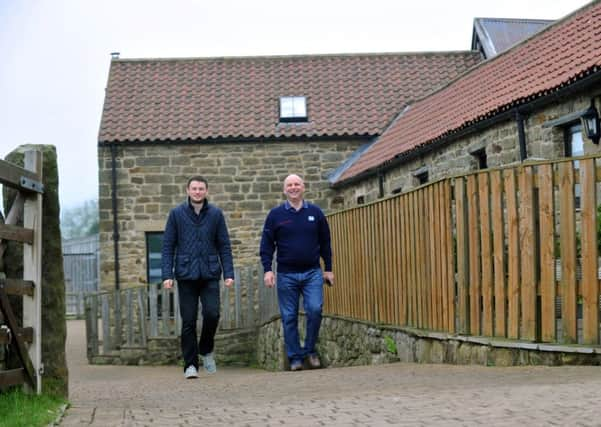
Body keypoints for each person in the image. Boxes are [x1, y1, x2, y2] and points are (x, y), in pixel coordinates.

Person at [161, 176, 234, 379]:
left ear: (206, 191)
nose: (198, 192)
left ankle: (206, 349)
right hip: (186, 275)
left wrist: (229, 272)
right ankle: (190, 365)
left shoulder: (216, 214)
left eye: (201, 188)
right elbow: (167, 246)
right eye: (194, 188)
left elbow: (224, 245)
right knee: (189, 321)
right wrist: (167, 274)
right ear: (187, 190)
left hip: (210, 273)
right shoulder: (176, 214)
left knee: (212, 314)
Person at [260, 174, 334, 371]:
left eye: (297, 184)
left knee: (315, 310)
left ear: (303, 187)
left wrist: (328, 269)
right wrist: (268, 270)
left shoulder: (316, 213)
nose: (293, 187)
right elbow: (266, 245)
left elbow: (326, 242)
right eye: (289, 185)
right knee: (289, 316)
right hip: (286, 274)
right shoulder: (275, 215)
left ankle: (309, 350)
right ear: (284, 190)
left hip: (312, 273)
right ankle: (294, 358)